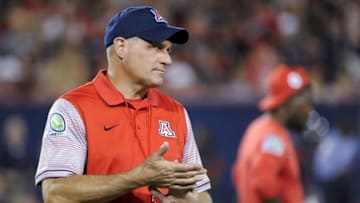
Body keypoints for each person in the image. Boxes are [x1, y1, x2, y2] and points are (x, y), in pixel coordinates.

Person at [34, 6, 212, 203]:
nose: (167, 59)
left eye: (168, 50)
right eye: (155, 47)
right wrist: (137, 178)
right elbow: (55, 194)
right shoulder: (73, 107)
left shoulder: (175, 111)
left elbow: (201, 193)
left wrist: (189, 201)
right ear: (121, 47)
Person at [232, 65, 313, 203]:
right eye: (306, 103)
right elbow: (263, 184)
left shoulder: (258, 127)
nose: (308, 111)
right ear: (288, 102)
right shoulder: (273, 137)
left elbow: (237, 174)